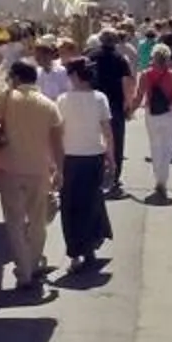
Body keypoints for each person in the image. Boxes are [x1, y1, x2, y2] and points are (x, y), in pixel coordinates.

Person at [0, 55, 64, 299]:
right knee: (37, 222)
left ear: (16, 78)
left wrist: (0, 142)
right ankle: (32, 263)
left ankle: (25, 271)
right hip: (39, 170)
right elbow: (57, 143)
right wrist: (60, 170)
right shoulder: (49, 105)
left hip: (10, 169)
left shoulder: (6, 98)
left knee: (15, 222)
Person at [54, 57, 116, 272]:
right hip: (94, 156)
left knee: (70, 206)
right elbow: (108, 132)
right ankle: (89, 246)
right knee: (91, 203)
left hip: (69, 157)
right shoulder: (100, 98)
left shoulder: (62, 100)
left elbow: (58, 131)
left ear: (73, 76)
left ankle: (74, 253)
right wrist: (111, 157)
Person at [88, 24, 135, 196]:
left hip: (93, 103)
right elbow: (128, 83)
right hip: (114, 104)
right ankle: (114, 177)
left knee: (95, 139)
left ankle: (97, 174)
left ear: (100, 40)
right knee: (115, 141)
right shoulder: (120, 59)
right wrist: (128, 104)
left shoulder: (91, 56)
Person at [134, 44, 172, 200]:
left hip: (152, 113)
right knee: (167, 148)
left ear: (153, 58)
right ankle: (163, 181)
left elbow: (139, 96)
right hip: (170, 113)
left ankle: (158, 180)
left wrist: (130, 110)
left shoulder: (145, 75)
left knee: (155, 147)